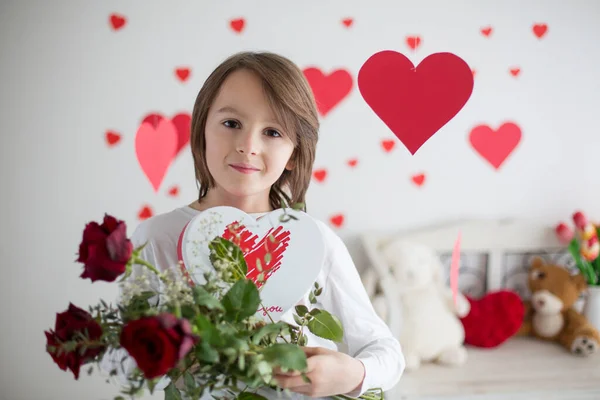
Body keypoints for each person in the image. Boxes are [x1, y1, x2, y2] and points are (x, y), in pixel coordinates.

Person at [101, 51, 405, 399]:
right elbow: (121, 360)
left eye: (273, 132)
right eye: (231, 124)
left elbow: (387, 352)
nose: (248, 146)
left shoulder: (316, 242)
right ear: (201, 130)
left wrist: (352, 373)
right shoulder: (157, 239)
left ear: (294, 154)